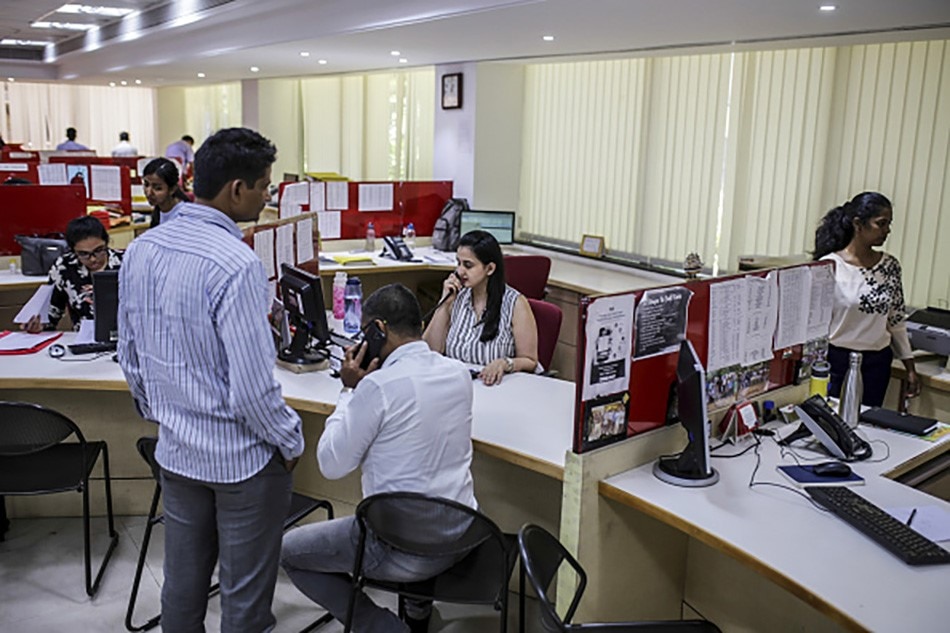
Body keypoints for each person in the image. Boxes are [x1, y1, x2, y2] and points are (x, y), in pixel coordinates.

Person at [117, 127, 303, 633]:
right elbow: (251, 390)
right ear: (236, 190)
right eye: (265, 186)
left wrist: (165, 415)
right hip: (241, 462)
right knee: (243, 597)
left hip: (176, 451)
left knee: (182, 583)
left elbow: (128, 354)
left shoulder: (142, 248)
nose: (269, 197)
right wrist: (288, 440)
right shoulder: (236, 263)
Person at [281, 283, 476, 633]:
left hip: (402, 548)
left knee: (289, 552)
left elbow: (331, 464)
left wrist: (348, 390)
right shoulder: (458, 373)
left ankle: (382, 627)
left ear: (378, 329)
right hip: (461, 535)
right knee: (418, 491)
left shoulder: (378, 387)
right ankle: (417, 612)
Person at [813, 191, 919, 407]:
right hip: (836, 361)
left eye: (889, 224)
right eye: (881, 224)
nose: (887, 231)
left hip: (876, 363)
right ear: (858, 224)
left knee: (870, 426)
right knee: (833, 422)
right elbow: (814, 324)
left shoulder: (889, 266)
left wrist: (910, 368)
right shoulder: (829, 266)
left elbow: (896, 321)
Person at [423, 229, 539, 385]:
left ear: (490, 269)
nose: (460, 271)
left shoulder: (516, 304)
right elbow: (429, 351)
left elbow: (530, 360)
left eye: (468, 265)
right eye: (458, 263)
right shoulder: (456, 296)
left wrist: (505, 363)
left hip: (496, 387)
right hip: (457, 384)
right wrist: (444, 305)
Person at [22, 215, 122, 333]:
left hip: (125, 337)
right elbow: (51, 314)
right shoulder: (65, 266)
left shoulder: (125, 262)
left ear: (106, 242)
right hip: (83, 339)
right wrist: (38, 325)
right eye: (84, 254)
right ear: (73, 251)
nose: (93, 259)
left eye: (99, 250)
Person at [142, 157, 188, 227]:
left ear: (172, 189)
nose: (149, 193)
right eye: (146, 184)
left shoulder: (183, 216)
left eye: (157, 188)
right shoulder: (158, 211)